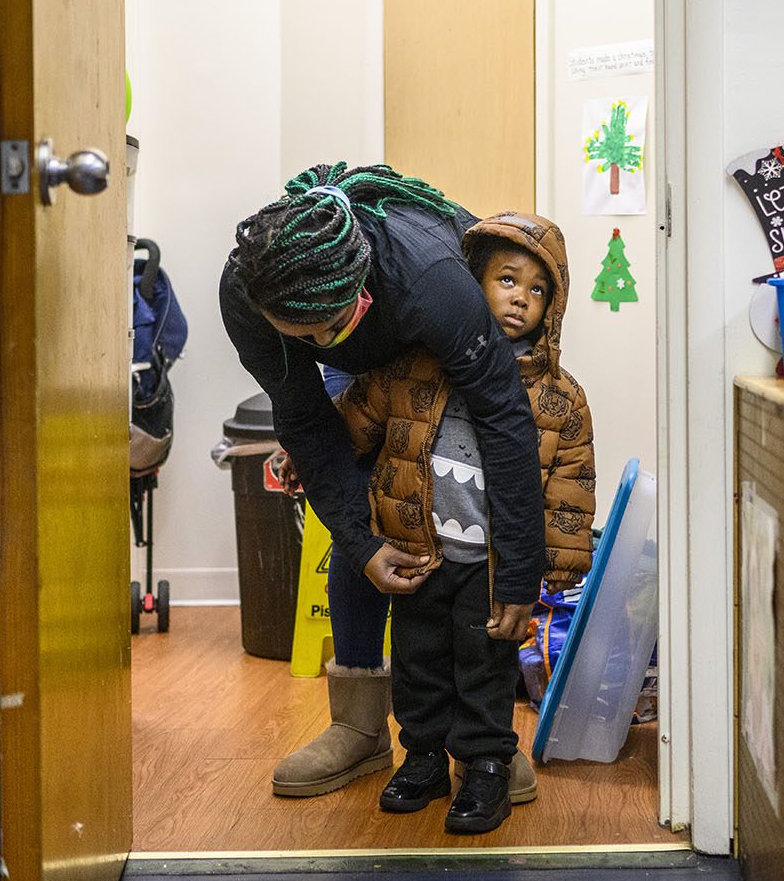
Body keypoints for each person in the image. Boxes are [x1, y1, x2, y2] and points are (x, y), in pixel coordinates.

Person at [220, 164, 546, 800]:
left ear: (359, 287)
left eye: (325, 326)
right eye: (301, 334)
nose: (315, 341)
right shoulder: (249, 294)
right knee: (366, 511)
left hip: (439, 336)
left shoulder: (435, 283)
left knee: (466, 513)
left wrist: (520, 571)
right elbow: (307, 422)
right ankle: (361, 728)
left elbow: (507, 420)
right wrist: (363, 543)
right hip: (361, 356)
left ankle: (481, 742)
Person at [337, 212, 595, 833]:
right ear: (472, 283)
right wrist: (312, 449)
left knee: (485, 669)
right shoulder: (415, 363)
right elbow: (364, 416)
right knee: (420, 660)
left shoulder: (561, 397)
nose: (520, 299)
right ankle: (422, 756)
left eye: (538, 291)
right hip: (417, 552)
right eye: (507, 280)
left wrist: (549, 572)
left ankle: (484, 767)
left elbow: (570, 489)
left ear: (551, 308)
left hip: (492, 569)